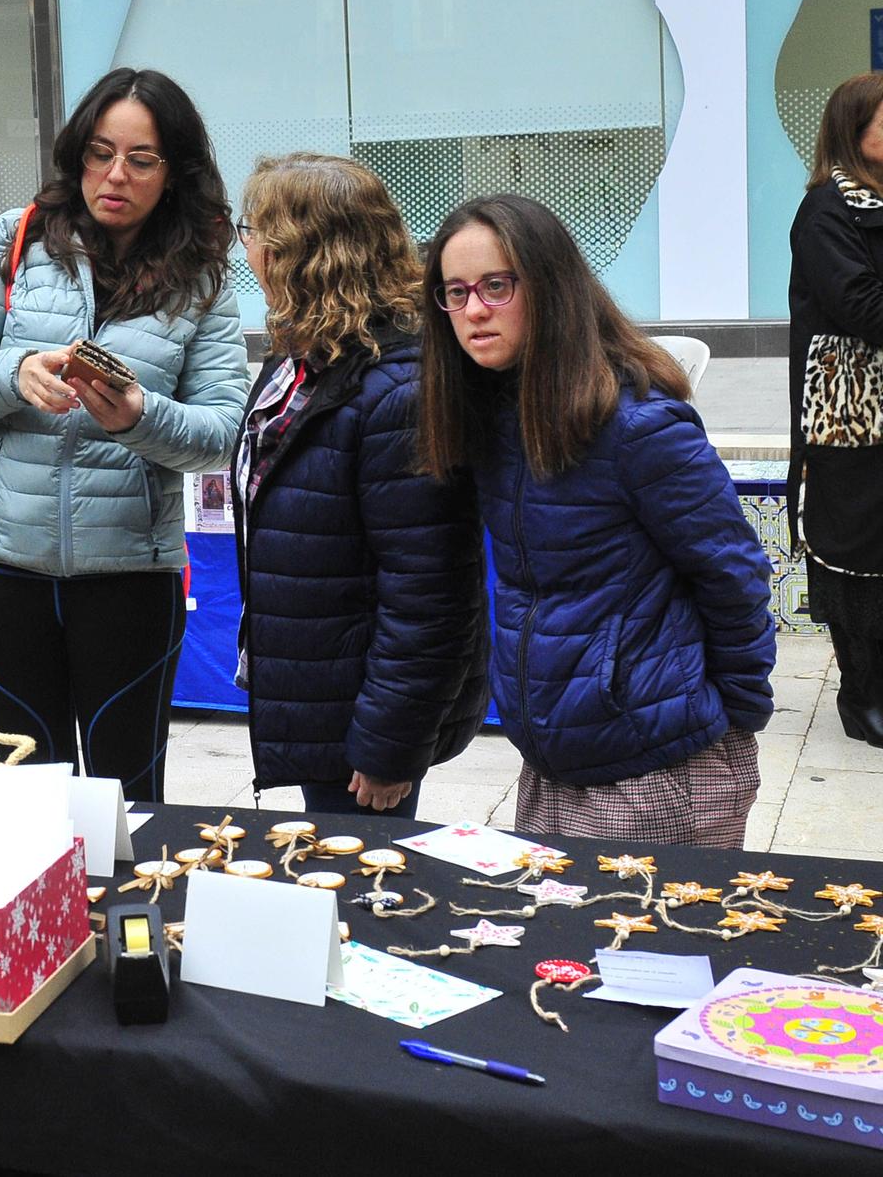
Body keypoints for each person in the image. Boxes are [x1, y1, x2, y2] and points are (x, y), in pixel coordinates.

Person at [0, 67, 248, 803]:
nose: (115, 175)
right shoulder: (18, 236)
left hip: (130, 574)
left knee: (126, 800)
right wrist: (15, 372)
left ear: (176, 171)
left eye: (141, 159)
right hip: (5, 567)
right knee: (26, 799)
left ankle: (126, 920)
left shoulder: (202, 275)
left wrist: (140, 417)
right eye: (100, 153)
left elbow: (224, 431)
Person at [417, 194, 774, 845]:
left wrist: (735, 719)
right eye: (455, 291)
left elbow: (736, 574)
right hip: (555, 767)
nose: (473, 310)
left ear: (549, 283)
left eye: (497, 285)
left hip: (656, 772)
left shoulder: (636, 422)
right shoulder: (494, 412)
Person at [229, 154, 487, 819]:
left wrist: (388, 746)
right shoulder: (308, 351)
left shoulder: (398, 386)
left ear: (301, 253)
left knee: (372, 903)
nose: (246, 248)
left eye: (253, 231)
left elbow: (429, 593)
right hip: (329, 698)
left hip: (364, 724)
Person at [787, 72, 883, 749]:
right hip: (851, 415)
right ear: (855, 130)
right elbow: (860, 306)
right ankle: (864, 696)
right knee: (858, 549)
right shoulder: (827, 210)